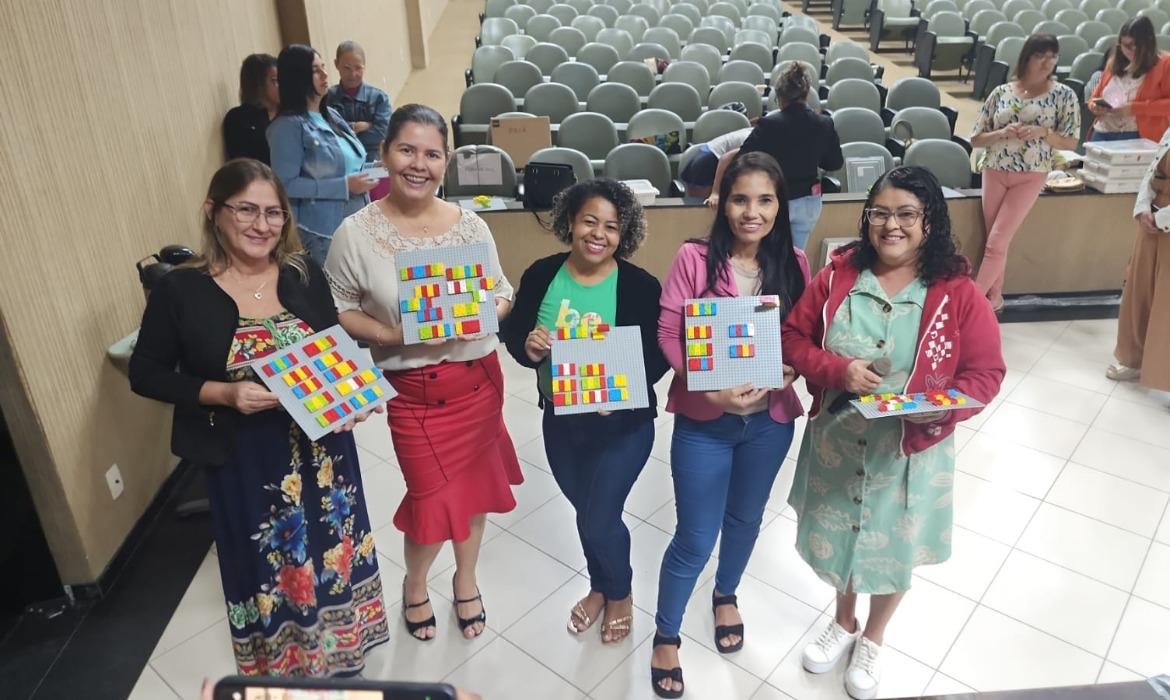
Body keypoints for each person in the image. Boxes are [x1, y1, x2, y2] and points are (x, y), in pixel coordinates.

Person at [129, 159, 390, 677]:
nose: (261, 224)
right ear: (213, 212)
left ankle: (342, 645)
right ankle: (288, 659)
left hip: (324, 452)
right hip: (245, 458)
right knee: (273, 563)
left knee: (333, 545)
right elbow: (146, 373)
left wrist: (352, 399)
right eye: (246, 209)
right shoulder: (181, 291)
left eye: (274, 212)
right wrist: (222, 394)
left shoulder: (301, 272)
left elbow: (331, 349)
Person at [782, 166, 1005, 700]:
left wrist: (939, 411)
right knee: (842, 538)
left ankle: (874, 637)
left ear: (930, 221)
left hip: (909, 452)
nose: (892, 226)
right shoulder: (837, 276)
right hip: (839, 439)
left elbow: (985, 373)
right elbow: (793, 338)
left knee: (892, 546)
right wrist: (839, 371)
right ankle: (844, 620)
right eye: (880, 213)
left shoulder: (957, 291)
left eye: (907, 214)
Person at [324, 104, 521, 643]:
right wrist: (394, 335)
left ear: (446, 161)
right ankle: (415, 584)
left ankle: (465, 580)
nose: (419, 164)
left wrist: (483, 314)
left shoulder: (471, 225)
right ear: (385, 153)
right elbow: (339, 307)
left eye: (432, 153)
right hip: (414, 394)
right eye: (407, 150)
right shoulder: (355, 233)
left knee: (475, 492)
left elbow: (503, 292)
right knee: (430, 500)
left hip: (479, 381)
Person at [651, 152, 810, 698]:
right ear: (722, 202)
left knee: (744, 522)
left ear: (780, 205)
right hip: (705, 423)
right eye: (741, 198)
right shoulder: (695, 258)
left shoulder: (792, 261)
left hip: (768, 423)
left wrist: (792, 365)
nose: (752, 212)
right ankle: (665, 633)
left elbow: (800, 338)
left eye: (765, 200)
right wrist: (706, 387)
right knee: (694, 536)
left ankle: (725, 595)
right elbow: (670, 333)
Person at [499, 179, 669, 644]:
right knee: (588, 511)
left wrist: (620, 393)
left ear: (624, 234)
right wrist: (529, 346)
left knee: (598, 517)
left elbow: (658, 356)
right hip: (561, 420)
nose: (599, 234)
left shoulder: (639, 286)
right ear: (570, 222)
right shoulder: (541, 274)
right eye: (589, 221)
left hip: (624, 425)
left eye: (612, 227)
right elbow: (515, 335)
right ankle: (600, 584)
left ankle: (621, 593)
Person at [970, 34, 1080, 313]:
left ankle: (969, 305)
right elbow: (976, 138)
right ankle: (994, 299)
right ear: (1027, 57)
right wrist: (1001, 133)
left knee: (997, 243)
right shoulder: (1002, 92)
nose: (1047, 62)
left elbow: (1070, 141)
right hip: (995, 169)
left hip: (1031, 174)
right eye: (1040, 56)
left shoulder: (1063, 95)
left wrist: (1044, 132)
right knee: (994, 241)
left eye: (1052, 56)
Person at [706, 63, 844, 252]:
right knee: (795, 260)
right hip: (809, 202)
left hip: (775, 200)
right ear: (806, 95)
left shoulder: (770, 124)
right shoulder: (825, 123)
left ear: (779, 98)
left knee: (766, 260)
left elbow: (742, 161)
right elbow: (834, 162)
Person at [269, 44, 376, 266]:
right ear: (299, 78)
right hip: (323, 230)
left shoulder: (331, 115)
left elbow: (349, 164)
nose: (325, 75)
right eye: (316, 71)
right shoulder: (287, 127)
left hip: (357, 219)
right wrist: (343, 186)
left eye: (324, 67)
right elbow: (285, 185)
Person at [1106, 126, 1170, 389]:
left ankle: (1164, 375)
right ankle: (1132, 359)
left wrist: (1163, 218)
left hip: (1162, 220)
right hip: (1152, 219)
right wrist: (1143, 207)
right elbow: (1152, 168)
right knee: (1138, 290)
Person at [1089, 17, 1170, 142]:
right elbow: (1094, 98)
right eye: (1127, 45)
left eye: (1137, 45)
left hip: (1138, 137)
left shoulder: (1164, 64)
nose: (1133, 50)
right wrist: (1095, 107)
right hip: (1102, 133)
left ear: (1149, 44)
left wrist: (1134, 108)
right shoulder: (1114, 63)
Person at [327, 41, 392, 162]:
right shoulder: (327, 98)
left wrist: (344, 134)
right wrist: (356, 127)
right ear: (336, 64)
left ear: (364, 66)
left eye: (358, 68)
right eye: (347, 68)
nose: (353, 74)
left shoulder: (379, 98)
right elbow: (326, 136)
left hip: (373, 162)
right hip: (340, 164)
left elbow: (382, 133)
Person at [223, 53, 279, 163]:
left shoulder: (289, 114)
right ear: (258, 83)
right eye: (275, 80)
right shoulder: (238, 118)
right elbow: (242, 164)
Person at [681, 127, 752, 199]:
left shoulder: (758, 132)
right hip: (707, 160)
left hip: (716, 159)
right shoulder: (755, 139)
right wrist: (715, 193)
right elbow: (725, 158)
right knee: (702, 207)